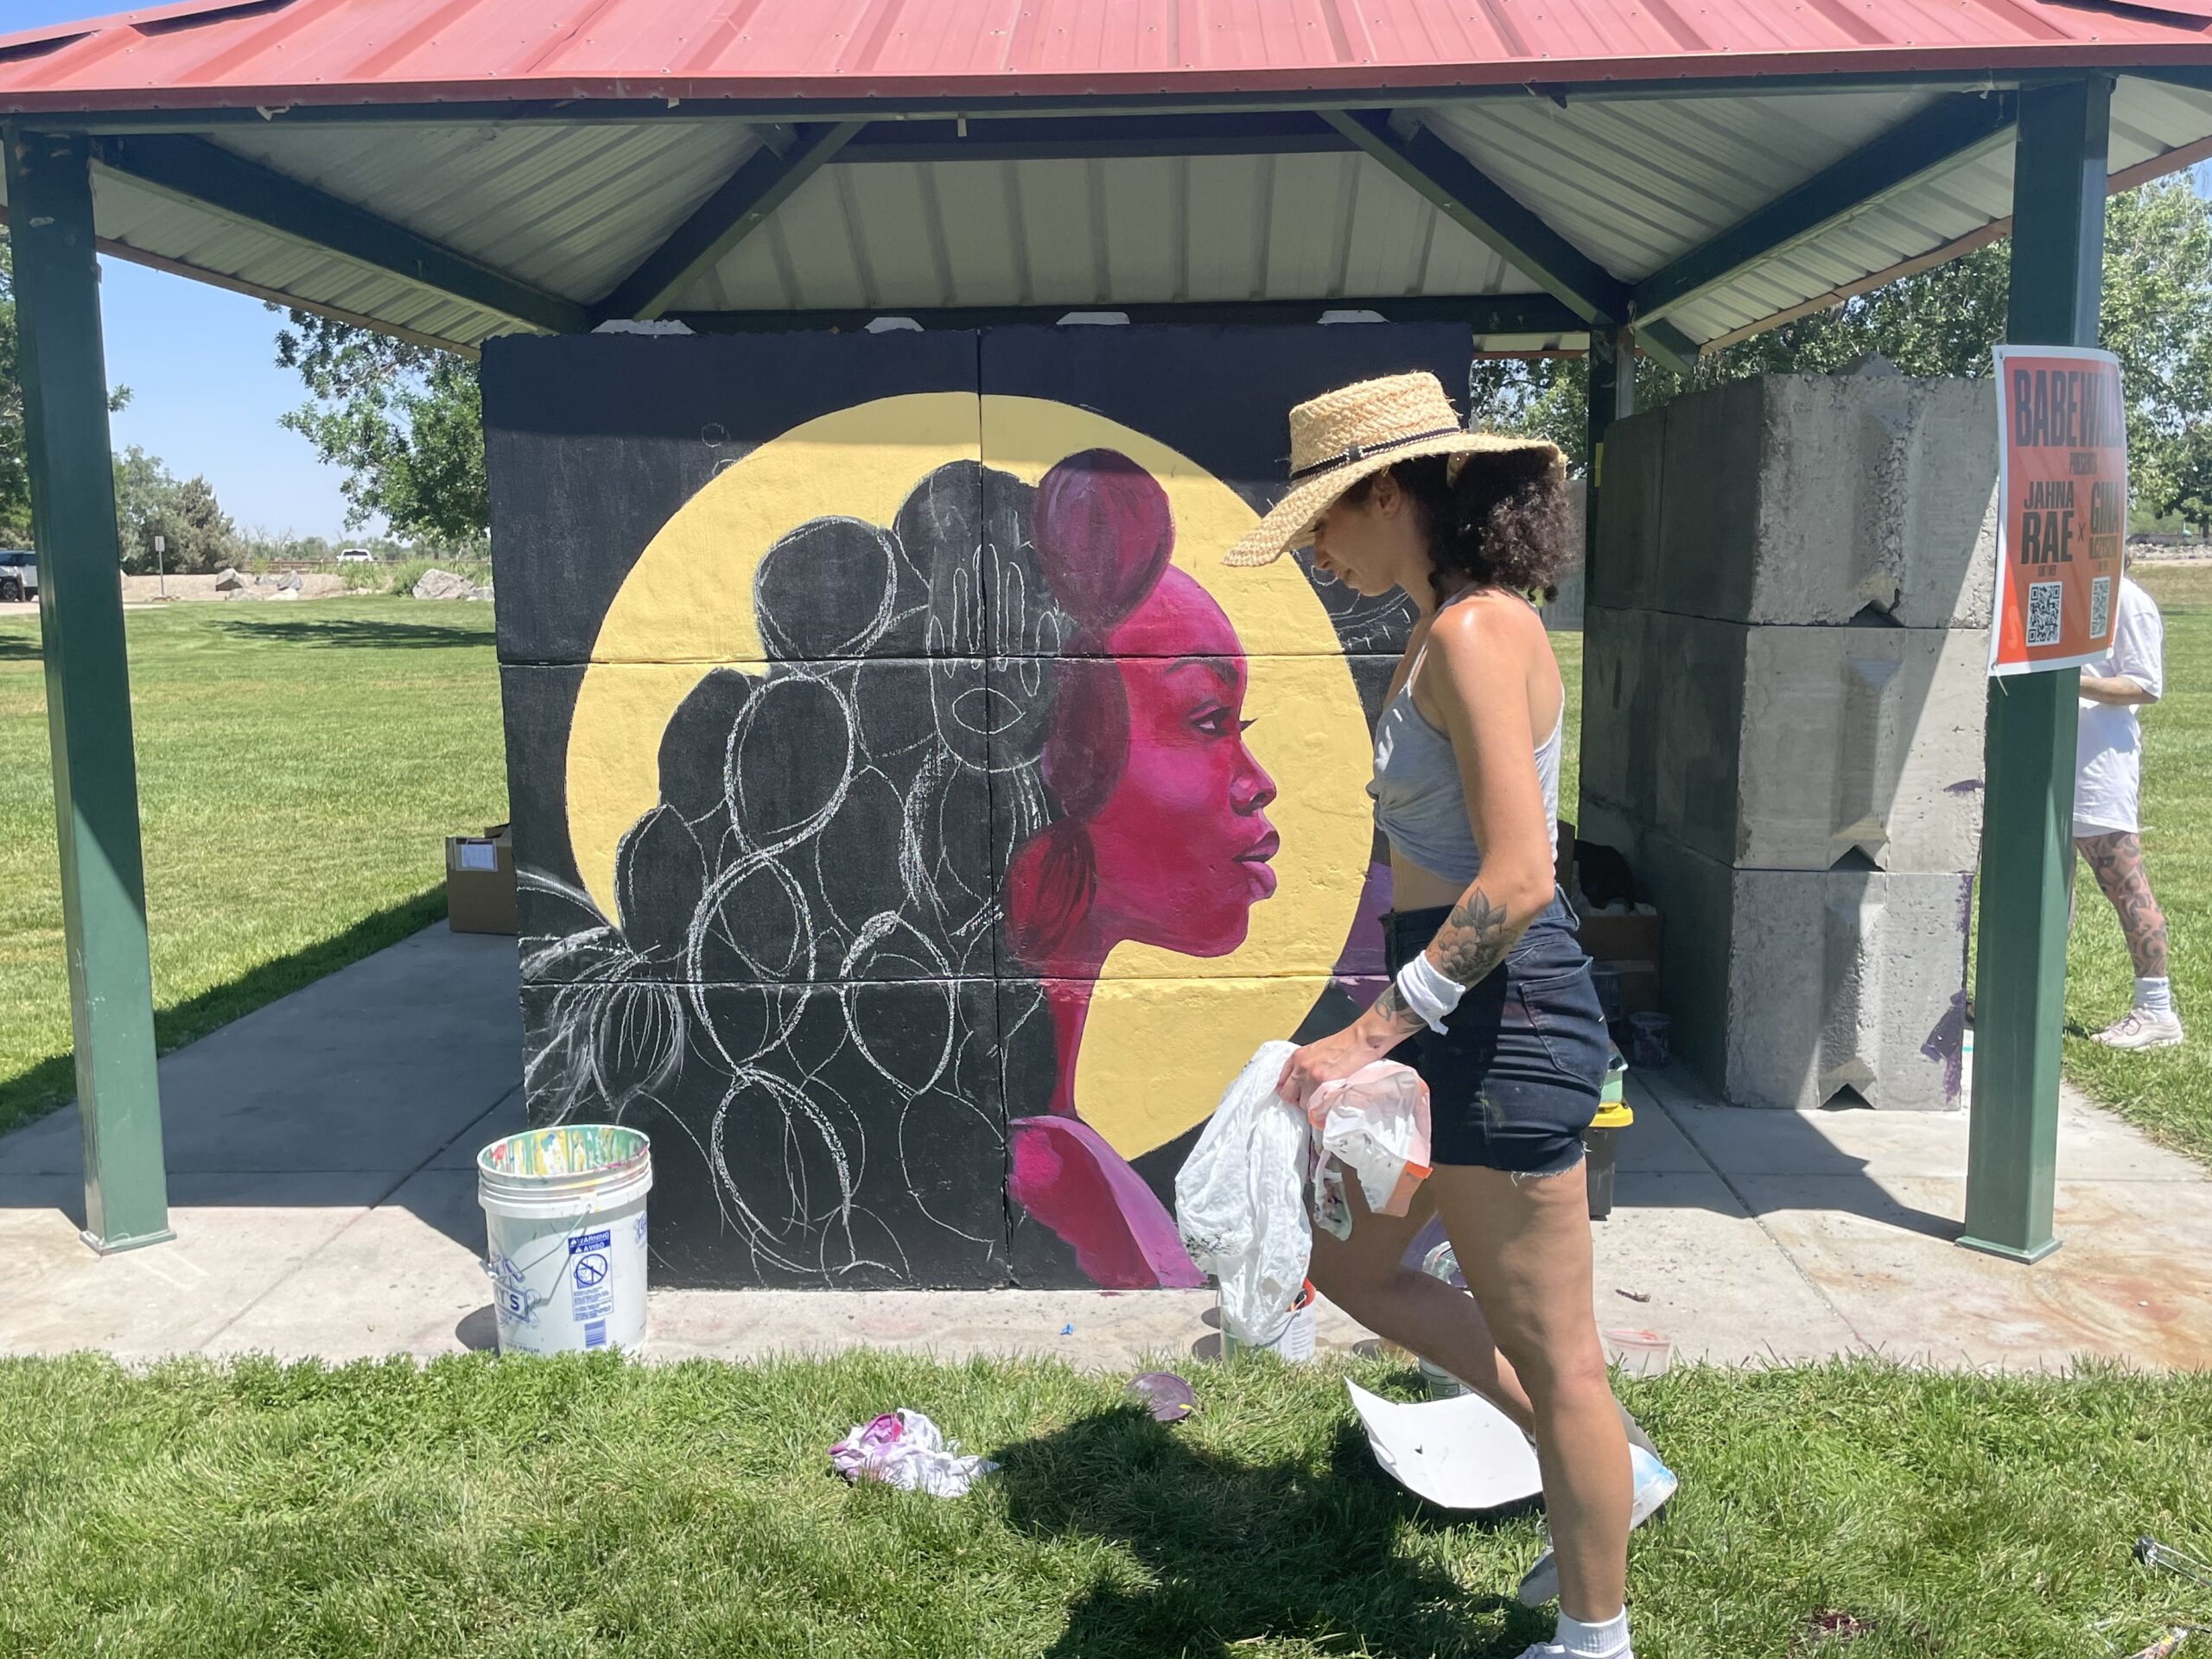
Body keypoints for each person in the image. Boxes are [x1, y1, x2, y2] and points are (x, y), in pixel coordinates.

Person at [1225, 372, 1668, 1659]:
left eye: (1324, 519)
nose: (1315, 548)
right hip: (1460, 1016)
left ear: (1386, 491)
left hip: (1508, 1020)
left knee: (1561, 1355)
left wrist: (1374, 1030)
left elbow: (1522, 875)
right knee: (1357, 1265)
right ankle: (1606, 1479)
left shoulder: (1478, 632)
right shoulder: (1440, 628)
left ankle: (1598, 1636)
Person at [2075, 569, 2180, 1050]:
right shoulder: (2058, 591)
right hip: (2045, 761)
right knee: (2039, 888)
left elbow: (2145, 685)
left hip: (2099, 770)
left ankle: (2157, 1011)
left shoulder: (2128, 600)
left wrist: (2065, 683)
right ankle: (2022, 993)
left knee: (2125, 886)